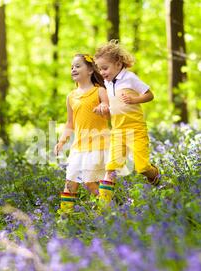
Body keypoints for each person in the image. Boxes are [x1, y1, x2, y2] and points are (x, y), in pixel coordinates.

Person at [94, 39, 161, 205]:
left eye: (105, 68)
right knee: (110, 169)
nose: (102, 72)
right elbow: (112, 109)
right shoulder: (107, 84)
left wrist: (134, 99)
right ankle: (103, 209)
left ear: (117, 63)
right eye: (99, 69)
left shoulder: (130, 78)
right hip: (117, 131)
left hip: (136, 129)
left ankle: (159, 181)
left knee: (143, 168)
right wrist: (103, 110)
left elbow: (150, 95)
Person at [54, 53, 111, 215]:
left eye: (78, 66)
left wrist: (104, 109)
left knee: (89, 182)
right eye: (72, 67)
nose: (73, 69)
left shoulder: (99, 91)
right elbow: (70, 124)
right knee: (70, 182)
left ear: (90, 70)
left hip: (98, 144)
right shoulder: (71, 96)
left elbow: (108, 112)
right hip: (78, 146)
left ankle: (107, 211)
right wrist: (61, 141)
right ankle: (64, 217)